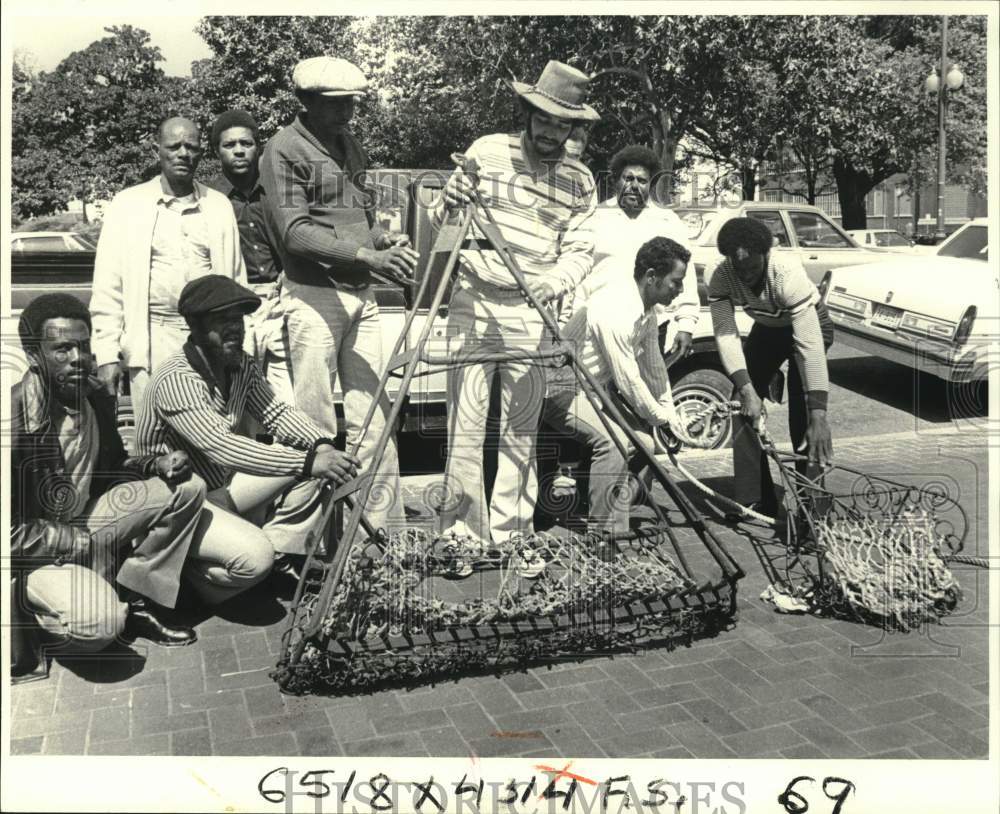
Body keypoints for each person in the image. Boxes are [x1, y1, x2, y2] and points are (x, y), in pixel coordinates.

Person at [433, 60, 599, 553]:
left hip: (530, 310)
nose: (550, 131)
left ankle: (511, 536)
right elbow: (444, 222)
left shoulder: (581, 181)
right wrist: (451, 196)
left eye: (562, 123)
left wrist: (553, 282)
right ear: (526, 113)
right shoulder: (486, 151)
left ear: (574, 127)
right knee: (464, 426)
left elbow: (581, 249)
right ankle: (461, 535)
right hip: (473, 303)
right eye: (543, 119)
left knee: (520, 429)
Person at [11, 294, 206, 680]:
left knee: (185, 488)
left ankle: (136, 601)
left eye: (83, 346)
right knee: (99, 626)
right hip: (33, 554)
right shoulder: (12, 418)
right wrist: (69, 541)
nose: (78, 358)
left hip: (85, 522)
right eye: (62, 349)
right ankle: (35, 617)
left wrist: (154, 464)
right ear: (34, 356)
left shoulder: (95, 395)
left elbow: (112, 469)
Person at [135, 276, 360, 603]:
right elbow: (222, 446)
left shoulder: (239, 364)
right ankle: (184, 575)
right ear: (194, 325)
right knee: (254, 562)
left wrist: (320, 444)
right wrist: (310, 461)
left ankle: (280, 555)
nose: (235, 328)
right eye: (222, 319)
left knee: (317, 462)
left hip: (218, 490)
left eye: (238, 319)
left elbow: (276, 412)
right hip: (175, 504)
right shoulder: (176, 378)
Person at [260, 56, 412, 536]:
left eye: (352, 102)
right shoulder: (283, 149)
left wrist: (379, 240)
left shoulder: (349, 144)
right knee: (315, 428)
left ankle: (382, 539)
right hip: (311, 296)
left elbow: (358, 216)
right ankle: (307, 543)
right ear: (305, 102)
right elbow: (296, 234)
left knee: (374, 419)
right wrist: (369, 257)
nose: (348, 111)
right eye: (336, 103)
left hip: (358, 294)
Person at [90, 116, 246, 411]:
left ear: (201, 153)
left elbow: (236, 283)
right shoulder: (127, 205)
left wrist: (236, 347)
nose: (183, 154)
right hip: (151, 338)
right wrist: (107, 355)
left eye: (192, 147)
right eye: (174, 146)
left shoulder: (218, 206)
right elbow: (108, 288)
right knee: (156, 443)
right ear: (156, 150)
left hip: (209, 340)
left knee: (214, 434)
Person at [542, 237, 686, 534]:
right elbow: (628, 378)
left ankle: (614, 520)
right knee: (613, 444)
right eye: (676, 282)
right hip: (560, 389)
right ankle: (600, 533)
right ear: (651, 277)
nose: (681, 290)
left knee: (646, 444)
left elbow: (654, 367)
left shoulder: (646, 309)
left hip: (592, 389)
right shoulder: (616, 308)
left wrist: (668, 412)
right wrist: (663, 418)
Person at [707, 217, 834, 514]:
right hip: (769, 327)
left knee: (804, 416)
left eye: (752, 267)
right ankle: (758, 498)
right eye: (739, 269)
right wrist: (748, 389)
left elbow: (809, 347)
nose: (746, 275)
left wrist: (819, 413)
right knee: (740, 404)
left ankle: (812, 508)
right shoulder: (720, 275)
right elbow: (726, 336)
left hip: (810, 325)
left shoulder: (786, 272)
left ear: (766, 254)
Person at [586, 144, 700, 361]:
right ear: (616, 181)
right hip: (600, 324)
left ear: (651, 185)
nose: (634, 186)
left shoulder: (668, 222)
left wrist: (686, 324)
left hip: (650, 326)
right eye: (628, 178)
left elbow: (686, 275)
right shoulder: (596, 218)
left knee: (646, 386)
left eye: (642, 180)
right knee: (598, 389)